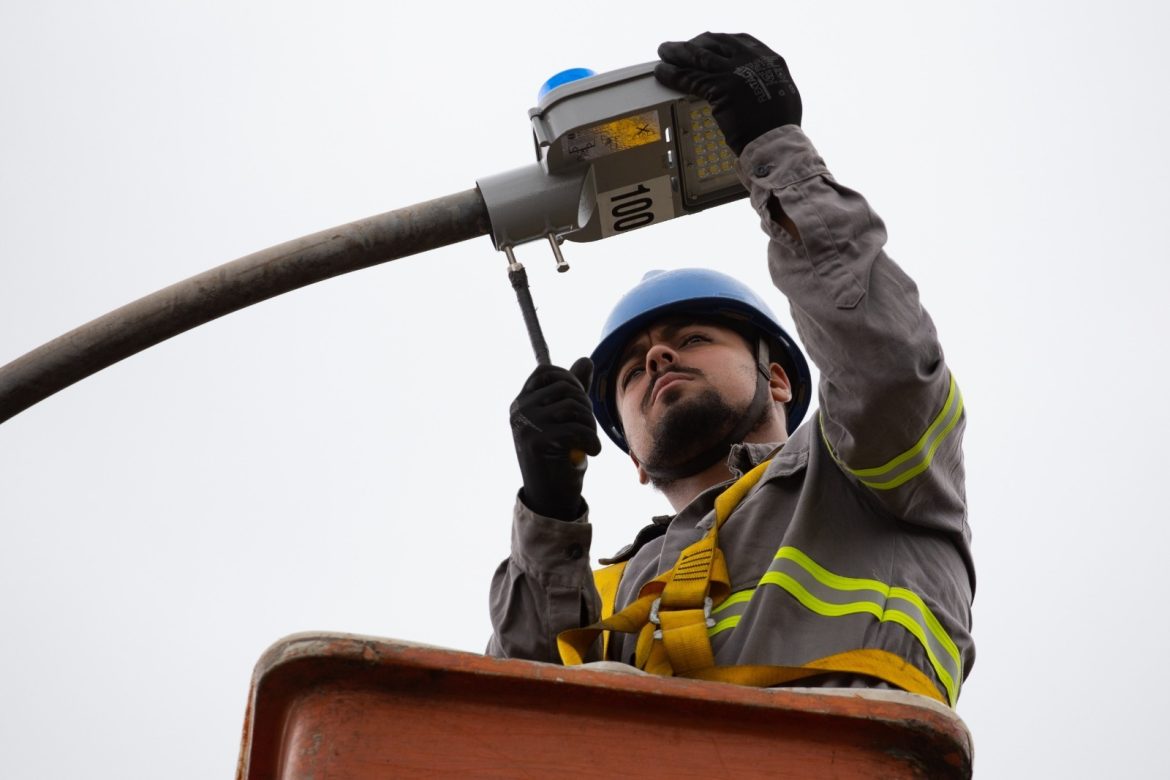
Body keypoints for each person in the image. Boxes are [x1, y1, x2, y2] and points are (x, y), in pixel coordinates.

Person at [487, 32, 974, 706]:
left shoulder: (863, 475)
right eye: (630, 374)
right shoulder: (603, 595)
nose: (656, 357)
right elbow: (508, 712)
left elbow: (884, 363)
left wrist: (777, 152)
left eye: (691, 337)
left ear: (778, 378)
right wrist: (548, 510)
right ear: (630, 458)